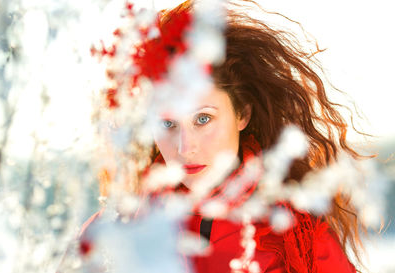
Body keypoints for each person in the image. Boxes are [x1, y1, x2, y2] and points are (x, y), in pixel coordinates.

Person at [77, 1, 367, 272]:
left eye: (203, 119)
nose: (185, 148)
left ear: (243, 114)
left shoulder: (297, 234)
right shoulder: (117, 228)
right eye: (167, 124)